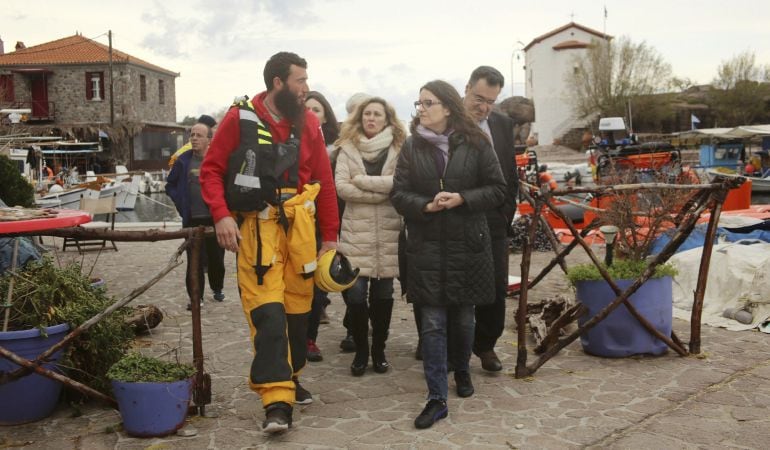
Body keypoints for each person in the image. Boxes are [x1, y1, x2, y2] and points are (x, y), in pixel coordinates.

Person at [199, 52, 339, 434]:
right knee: (269, 316)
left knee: (298, 318)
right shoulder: (237, 118)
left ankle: (290, 377)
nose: (306, 87)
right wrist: (221, 214)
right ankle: (276, 401)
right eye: (299, 80)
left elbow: (324, 183)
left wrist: (330, 238)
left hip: (300, 231)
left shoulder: (309, 122)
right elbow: (210, 171)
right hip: (258, 232)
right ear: (278, 83)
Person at [390, 80, 506, 429]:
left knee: (464, 320)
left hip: (467, 246)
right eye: (419, 102)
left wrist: (462, 198)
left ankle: (462, 370)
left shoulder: (476, 143)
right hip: (426, 247)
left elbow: (498, 189)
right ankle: (437, 397)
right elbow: (398, 194)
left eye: (428, 103)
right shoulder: (411, 147)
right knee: (434, 324)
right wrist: (425, 204)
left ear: (447, 108)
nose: (421, 109)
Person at [335, 96, 406, 376]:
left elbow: (401, 183)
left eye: (377, 114)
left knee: (383, 296)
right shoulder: (347, 148)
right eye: (367, 114)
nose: (371, 119)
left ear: (387, 119)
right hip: (355, 233)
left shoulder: (399, 147)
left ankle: (379, 350)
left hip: (388, 233)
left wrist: (362, 182)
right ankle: (361, 351)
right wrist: (382, 193)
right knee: (354, 295)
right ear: (359, 118)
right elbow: (341, 187)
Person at [461, 66, 519, 372]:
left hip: (494, 218)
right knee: (457, 287)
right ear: (467, 87)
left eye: (491, 102)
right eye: (479, 99)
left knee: (495, 288)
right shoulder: (445, 121)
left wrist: (507, 212)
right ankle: (450, 348)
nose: (484, 108)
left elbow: (511, 172)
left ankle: (485, 345)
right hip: (457, 215)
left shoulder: (501, 123)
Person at [166, 121, 226, 310]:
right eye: (192, 135)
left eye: (199, 135)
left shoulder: (218, 159)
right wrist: (181, 204)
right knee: (194, 260)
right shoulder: (183, 160)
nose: (194, 138)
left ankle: (217, 288)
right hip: (192, 220)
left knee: (216, 259)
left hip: (215, 219)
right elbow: (170, 185)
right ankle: (196, 297)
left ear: (210, 139)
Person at [303, 90, 340, 362]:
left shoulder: (338, 148)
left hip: (325, 220)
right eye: (307, 108)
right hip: (299, 220)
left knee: (317, 286)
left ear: (325, 115)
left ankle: (309, 338)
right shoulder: (296, 143)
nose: (311, 113)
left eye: (317, 109)